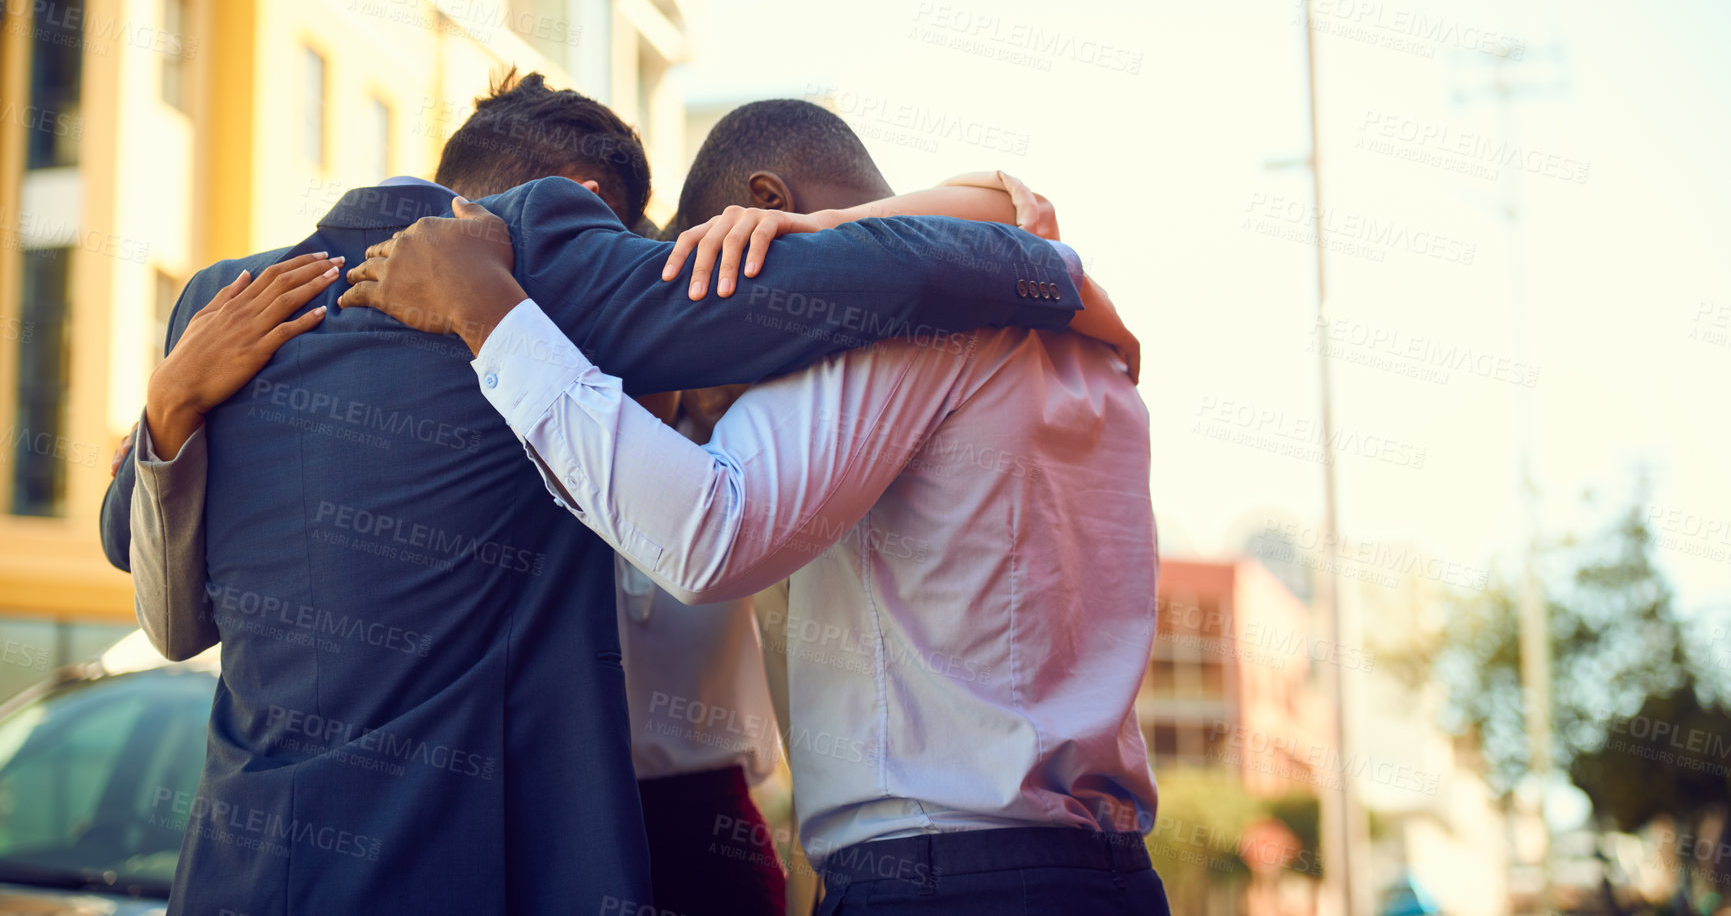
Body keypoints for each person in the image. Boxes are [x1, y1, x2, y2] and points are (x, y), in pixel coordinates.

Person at [97, 76, 1089, 916]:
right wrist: (1048, 270)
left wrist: (167, 403)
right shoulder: (541, 251)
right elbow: (867, 283)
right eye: (629, 240)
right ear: (580, 203)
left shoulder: (218, 303)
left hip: (241, 871)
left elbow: (141, 565)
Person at [342, 99, 1167, 914]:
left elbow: (709, 539)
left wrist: (488, 311)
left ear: (765, 211)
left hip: (943, 876)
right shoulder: (1077, 342)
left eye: (716, 283)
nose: (725, 344)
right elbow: (1016, 212)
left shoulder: (890, 324)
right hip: (1109, 873)